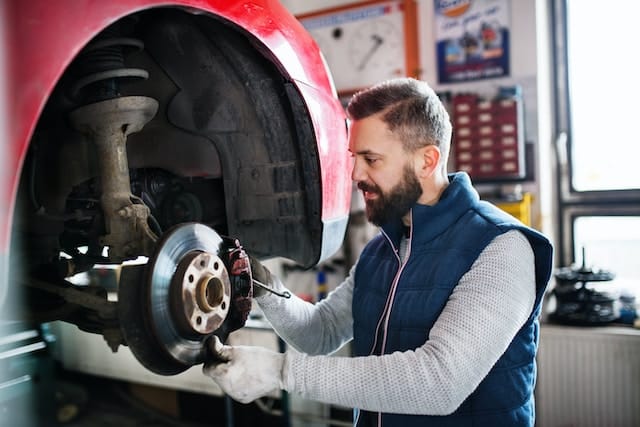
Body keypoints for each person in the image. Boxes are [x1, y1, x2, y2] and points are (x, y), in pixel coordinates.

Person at [204, 77, 553, 426]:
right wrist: (262, 284)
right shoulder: (382, 249)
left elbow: (440, 382)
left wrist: (280, 371)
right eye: (355, 157)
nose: (356, 173)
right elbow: (321, 333)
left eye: (371, 159)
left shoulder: (501, 248)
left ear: (427, 161)